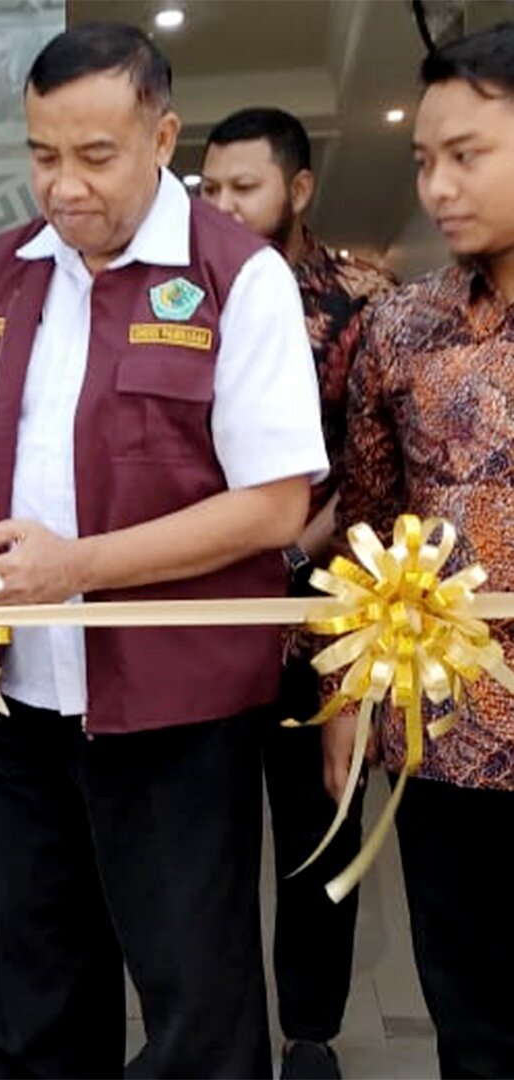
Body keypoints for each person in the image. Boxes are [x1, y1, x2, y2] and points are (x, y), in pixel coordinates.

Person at [0, 24, 329, 1078]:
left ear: (162, 136)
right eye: (42, 154)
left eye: (95, 156)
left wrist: (80, 568)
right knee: (37, 996)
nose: (64, 186)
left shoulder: (237, 277)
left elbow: (274, 506)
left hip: (174, 708)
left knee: (196, 1002)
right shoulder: (10, 269)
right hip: (21, 704)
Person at [323, 23, 514, 1079]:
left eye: (467, 155)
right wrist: (345, 700)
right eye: (424, 160)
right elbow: (367, 526)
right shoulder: (401, 328)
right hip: (449, 732)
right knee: (474, 1018)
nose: (438, 186)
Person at [200, 107, 395, 1080]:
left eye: (246, 187)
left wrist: (288, 553)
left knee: (320, 825)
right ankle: (216, 1031)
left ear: (300, 188)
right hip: (205, 612)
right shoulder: (184, 295)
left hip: (322, 607)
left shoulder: (363, 300)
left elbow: (372, 474)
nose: (224, 207)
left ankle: (309, 1031)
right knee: (204, 837)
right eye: (210, 189)